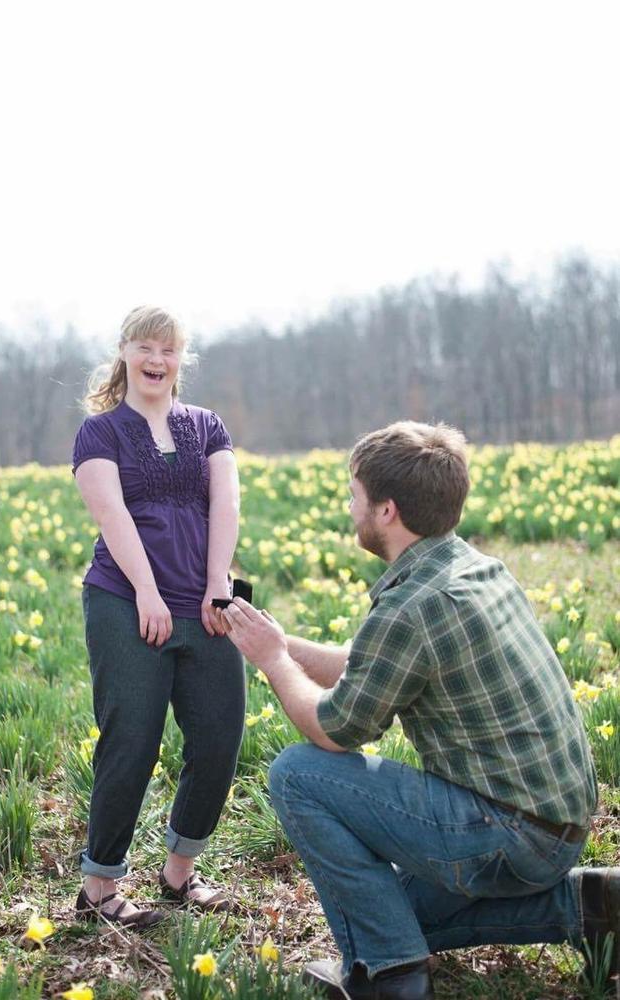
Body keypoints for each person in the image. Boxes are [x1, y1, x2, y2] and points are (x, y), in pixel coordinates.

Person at [220, 420, 620, 1000]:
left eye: (354, 494)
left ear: (386, 511)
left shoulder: (412, 607)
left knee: (297, 774)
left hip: (509, 834)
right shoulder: (470, 568)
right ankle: (594, 907)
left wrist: (275, 663)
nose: (348, 505)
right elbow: (367, 663)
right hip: (555, 824)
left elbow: (334, 731)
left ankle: (390, 976)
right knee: (389, 911)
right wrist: (270, 639)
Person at [71, 305, 245, 928]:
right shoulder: (102, 431)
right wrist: (146, 591)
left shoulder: (207, 426)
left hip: (205, 605)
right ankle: (99, 886)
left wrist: (218, 584)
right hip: (125, 600)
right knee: (132, 740)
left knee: (222, 736)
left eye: (168, 349)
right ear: (123, 352)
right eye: (144, 346)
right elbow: (111, 515)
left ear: (181, 359)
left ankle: (179, 873)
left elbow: (225, 503)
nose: (156, 359)